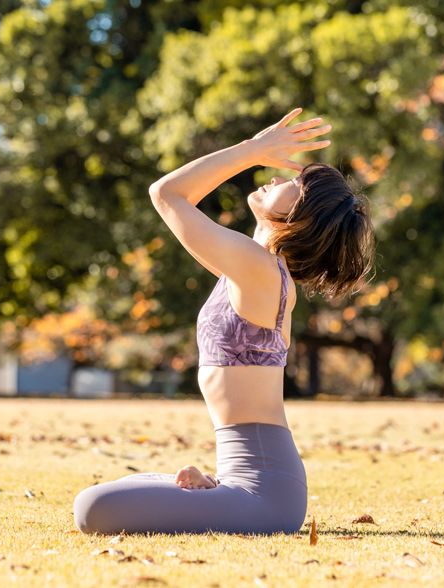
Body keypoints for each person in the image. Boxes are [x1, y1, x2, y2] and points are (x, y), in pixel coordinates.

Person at [73, 108, 374, 535]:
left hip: (265, 494)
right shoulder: (255, 270)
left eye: (297, 184)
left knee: (92, 507)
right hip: (252, 481)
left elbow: (166, 193)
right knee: (126, 486)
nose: (281, 176)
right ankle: (214, 490)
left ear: (301, 217)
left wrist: (254, 149)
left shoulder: (260, 271)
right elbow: (172, 201)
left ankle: (218, 495)